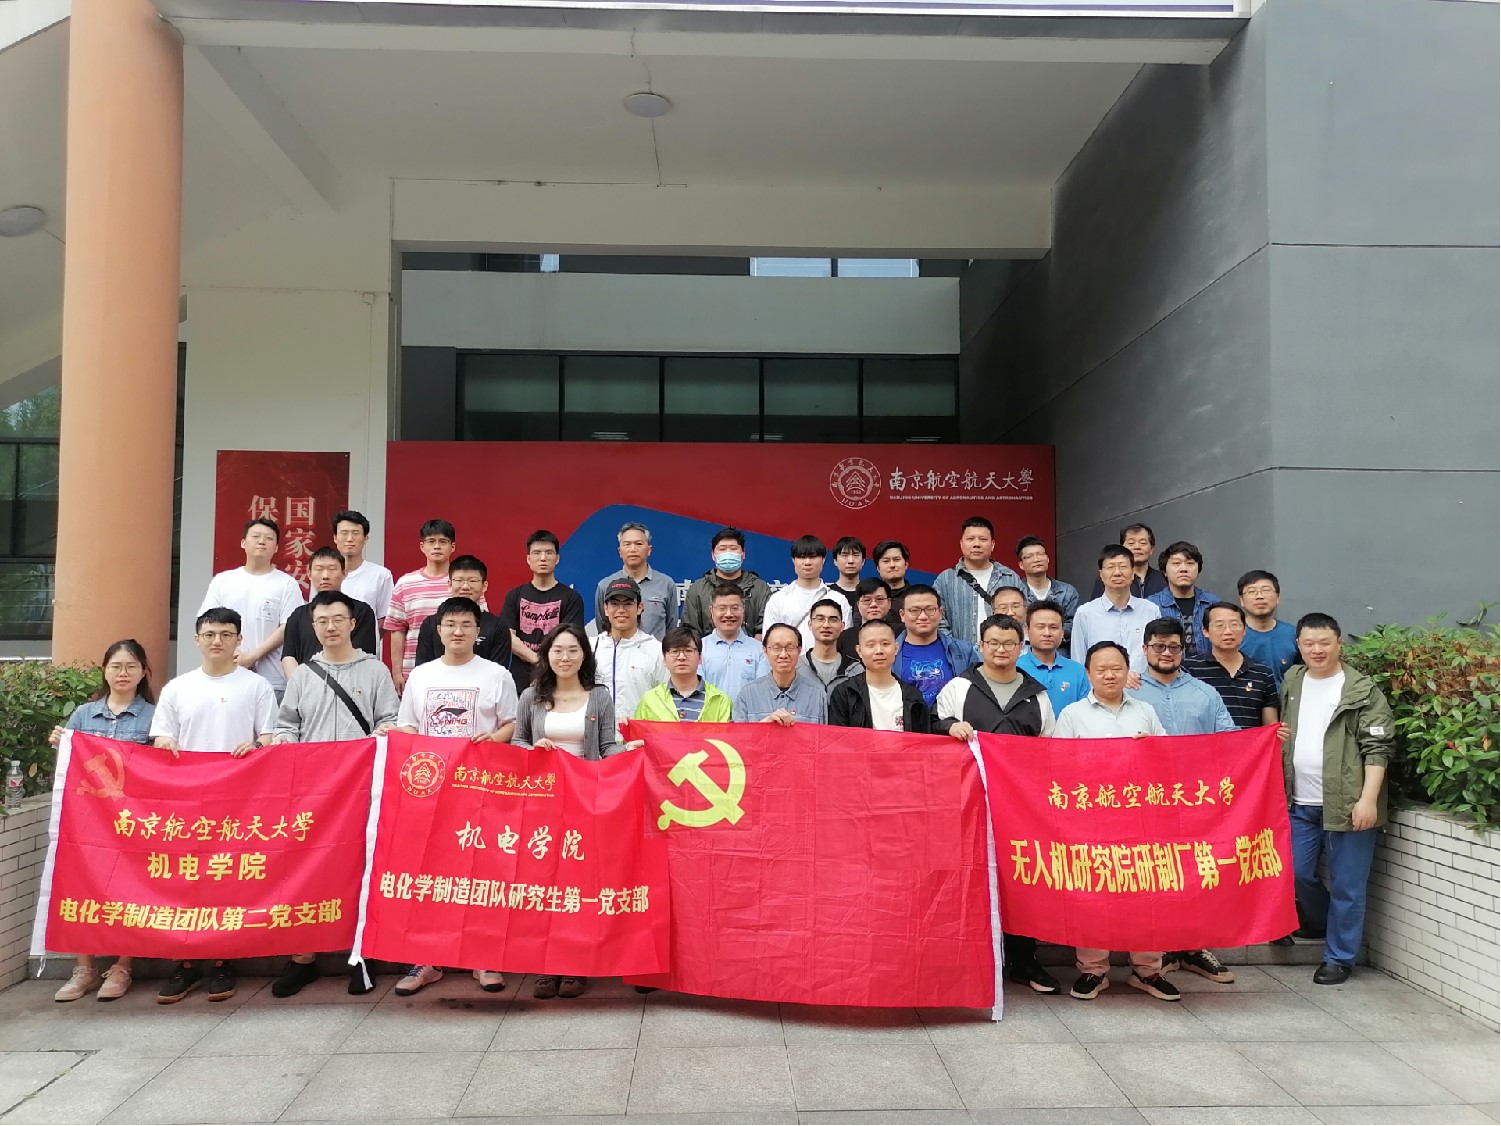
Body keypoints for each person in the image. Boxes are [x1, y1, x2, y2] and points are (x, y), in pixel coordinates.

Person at [271, 590, 400, 999]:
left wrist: (379, 735)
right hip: (312, 794)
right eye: (322, 621)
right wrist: (287, 745)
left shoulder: (375, 671)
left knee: (358, 871)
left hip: (360, 790)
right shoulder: (303, 675)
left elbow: (391, 718)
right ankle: (302, 958)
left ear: (352, 624)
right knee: (307, 871)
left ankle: (360, 955)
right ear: (313, 627)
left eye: (337, 619)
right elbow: (286, 725)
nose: (330, 627)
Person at [150, 608, 279, 1004]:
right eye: (209, 634)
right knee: (188, 880)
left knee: (230, 877)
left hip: (240, 802)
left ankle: (224, 960)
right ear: (196, 639)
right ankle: (187, 962)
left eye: (226, 634)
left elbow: (270, 737)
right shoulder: (178, 688)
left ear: (239, 639)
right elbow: (160, 738)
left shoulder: (256, 686)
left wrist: (256, 746)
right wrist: (165, 744)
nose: (217, 641)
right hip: (188, 801)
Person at [392, 596, 518, 999]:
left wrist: (492, 740)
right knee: (430, 874)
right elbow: (408, 727)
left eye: (466, 624)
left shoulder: (497, 674)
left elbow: (512, 725)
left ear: (478, 631)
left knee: (481, 872)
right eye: (450, 624)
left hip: (481, 789)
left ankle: (484, 957)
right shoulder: (421, 675)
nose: (458, 631)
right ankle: (426, 959)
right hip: (431, 793)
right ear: (438, 629)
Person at [934, 613, 1057, 995]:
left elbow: (1049, 751)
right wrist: (949, 726)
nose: (1001, 650)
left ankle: (1023, 959)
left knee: (1020, 881)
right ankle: (967, 958)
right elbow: (932, 728)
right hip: (966, 803)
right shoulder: (959, 688)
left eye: (1008, 644)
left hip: (1021, 807)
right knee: (968, 879)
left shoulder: (1037, 696)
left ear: (1021, 647)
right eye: (993, 643)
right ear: (981, 646)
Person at [1053, 642, 1174, 1003]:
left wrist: (1152, 747)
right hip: (1091, 819)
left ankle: (1148, 969)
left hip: (1140, 819)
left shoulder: (1145, 710)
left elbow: (1170, 758)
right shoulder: (1073, 714)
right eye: (1101, 669)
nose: (1109, 675)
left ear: (1127, 671)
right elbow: (1058, 766)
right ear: (1087, 674)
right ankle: (1093, 970)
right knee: (1092, 894)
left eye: (1116, 668)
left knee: (1146, 891)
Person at [1279, 613, 1394, 986]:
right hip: (1299, 802)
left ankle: (1339, 957)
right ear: (1299, 646)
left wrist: (1368, 799)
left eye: (1324, 642)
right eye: (1309, 643)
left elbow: (1377, 748)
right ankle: (1320, 922)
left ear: (1339, 643)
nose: (1317, 650)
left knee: (1348, 884)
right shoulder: (1293, 680)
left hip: (1347, 803)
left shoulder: (1362, 690)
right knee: (1295, 872)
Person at [1128, 618, 1239, 988]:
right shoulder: (1129, 690)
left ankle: (1193, 947)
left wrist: (1265, 742)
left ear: (1184, 650)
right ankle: (1155, 951)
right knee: (1152, 875)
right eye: (1158, 646)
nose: (1166, 653)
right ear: (1145, 649)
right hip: (1142, 803)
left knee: (1193, 875)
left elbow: (1230, 740)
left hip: (1194, 803)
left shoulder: (1205, 693)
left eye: (1173, 646)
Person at [514, 624, 622, 999]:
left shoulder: (599, 697)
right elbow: (518, 740)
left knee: (579, 885)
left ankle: (576, 963)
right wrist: (533, 750)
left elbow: (607, 746)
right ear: (546, 655)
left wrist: (627, 757)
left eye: (573, 650)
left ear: (584, 656)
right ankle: (546, 965)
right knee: (543, 884)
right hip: (542, 804)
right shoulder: (531, 696)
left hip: (585, 803)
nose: (565, 657)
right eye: (558, 650)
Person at [47, 640, 156, 1003]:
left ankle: (123, 966)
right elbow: (68, 766)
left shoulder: (153, 717)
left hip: (131, 819)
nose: (123, 673)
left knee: (130, 886)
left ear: (143, 672)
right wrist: (61, 743)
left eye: (130, 666)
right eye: (115, 666)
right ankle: (84, 968)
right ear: (104, 671)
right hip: (87, 820)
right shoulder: (83, 715)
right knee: (80, 886)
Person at [198, 517, 304, 699]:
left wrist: (253, 656)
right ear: (243, 543)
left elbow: (289, 626)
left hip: (272, 680)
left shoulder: (287, 584)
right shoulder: (223, 581)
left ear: (276, 548)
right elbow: (206, 621)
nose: (262, 541)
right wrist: (233, 652)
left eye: (269, 538)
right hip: (227, 673)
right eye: (256, 536)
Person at [499, 531, 587, 694]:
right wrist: (538, 661)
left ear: (557, 558)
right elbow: (507, 636)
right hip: (519, 683)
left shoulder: (571, 598)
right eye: (537, 553)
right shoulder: (515, 595)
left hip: (558, 682)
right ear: (528, 559)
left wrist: (547, 668)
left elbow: (570, 640)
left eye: (549, 552)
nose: (543, 558)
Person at [384, 518, 460, 693]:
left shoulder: (462, 583)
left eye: (443, 542)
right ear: (422, 546)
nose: (436, 547)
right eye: (431, 541)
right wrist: (397, 672)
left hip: (458, 670)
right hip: (414, 672)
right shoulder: (405, 583)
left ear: (453, 547)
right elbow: (397, 630)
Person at [280, 547, 378, 678]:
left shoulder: (361, 611)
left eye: (332, 569)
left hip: (349, 685)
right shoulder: (298, 615)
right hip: (306, 686)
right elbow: (289, 656)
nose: (325, 576)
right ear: (309, 574)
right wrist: (300, 684)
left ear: (344, 572)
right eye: (319, 569)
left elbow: (364, 655)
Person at [1185, 603, 1280, 731]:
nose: (1228, 632)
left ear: (1244, 630)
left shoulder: (1263, 673)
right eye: (1219, 626)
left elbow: (1270, 727)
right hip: (1207, 743)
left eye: (1235, 625)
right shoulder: (1189, 670)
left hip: (1249, 744)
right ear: (1205, 631)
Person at [933, 516, 1024, 649]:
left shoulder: (1010, 577)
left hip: (1003, 652)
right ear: (961, 543)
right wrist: (957, 648)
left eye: (983, 539)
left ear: (992, 544)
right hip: (959, 655)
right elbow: (937, 619)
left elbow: (1024, 617)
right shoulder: (945, 579)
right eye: (970, 539)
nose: (976, 544)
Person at [828, 619, 929, 732]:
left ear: (896, 648)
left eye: (885, 644)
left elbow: (922, 740)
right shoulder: (844, 694)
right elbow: (838, 739)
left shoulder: (913, 696)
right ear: (859, 651)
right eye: (871, 645)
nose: (879, 651)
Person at [591, 577, 668, 725]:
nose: (621, 610)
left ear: (640, 607)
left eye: (628, 604)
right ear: (605, 609)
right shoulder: (591, 648)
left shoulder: (656, 650)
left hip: (639, 735)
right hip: (597, 736)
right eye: (614, 604)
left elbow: (665, 701)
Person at [1070, 545, 1161, 670]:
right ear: (1101, 575)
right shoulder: (1085, 614)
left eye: (1123, 567)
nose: (1117, 573)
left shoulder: (1151, 610)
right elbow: (1078, 661)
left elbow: (1158, 655)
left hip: (1142, 682)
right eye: (1110, 567)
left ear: (1133, 573)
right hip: (1101, 682)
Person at [893, 584, 980, 709]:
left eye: (930, 609)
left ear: (940, 613)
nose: (923, 616)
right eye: (914, 610)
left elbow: (977, 695)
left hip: (952, 720)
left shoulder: (964, 651)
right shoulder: (890, 654)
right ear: (902, 615)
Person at [413, 555, 509, 667]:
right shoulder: (430, 623)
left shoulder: (497, 626)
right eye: (459, 580)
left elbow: (499, 671)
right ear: (449, 584)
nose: (465, 586)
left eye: (473, 581)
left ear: (484, 586)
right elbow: (423, 669)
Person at [761, 535, 851, 651]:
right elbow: (769, 644)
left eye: (813, 557)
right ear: (793, 560)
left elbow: (846, 642)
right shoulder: (778, 599)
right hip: (788, 661)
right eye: (802, 557)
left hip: (830, 661)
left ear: (823, 559)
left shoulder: (839, 600)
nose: (807, 562)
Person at [680, 527, 772, 639]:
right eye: (722, 549)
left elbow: (766, 628)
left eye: (733, 548)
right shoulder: (698, 589)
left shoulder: (760, 588)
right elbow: (690, 630)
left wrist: (753, 647)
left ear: (743, 554)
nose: (728, 553)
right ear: (713, 555)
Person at [594, 522, 678, 641]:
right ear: (620, 551)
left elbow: (671, 628)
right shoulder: (605, 585)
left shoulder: (666, 584)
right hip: (618, 651)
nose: (633, 549)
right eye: (627, 544)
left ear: (649, 550)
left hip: (655, 652)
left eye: (638, 544)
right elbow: (603, 627)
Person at [732, 624, 828, 724]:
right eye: (776, 648)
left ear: (799, 650)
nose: (783, 655)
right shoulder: (748, 694)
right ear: (765, 651)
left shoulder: (817, 695)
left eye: (790, 648)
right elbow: (739, 733)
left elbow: (824, 733)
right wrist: (764, 725)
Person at [634, 627, 733, 722]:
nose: (681, 657)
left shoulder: (720, 700)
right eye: (674, 651)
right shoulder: (650, 701)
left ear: (700, 657)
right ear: (664, 659)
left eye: (688, 651)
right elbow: (638, 732)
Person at [698, 583, 769, 704]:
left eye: (735, 608)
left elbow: (762, 692)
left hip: (747, 715)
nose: (729, 614)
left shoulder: (759, 650)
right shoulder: (699, 648)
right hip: (710, 715)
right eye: (722, 608)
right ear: (711, 610)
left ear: (743, 609)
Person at [1147, 541, 1220, 657]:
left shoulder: (1213, 603)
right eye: (1176, 563)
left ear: (1198, 569)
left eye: (1190, 563)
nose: (1184, 569)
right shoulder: (1151, 605)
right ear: (1164, 571)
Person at [1017, 600, 1089, 717]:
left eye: (1053, 627)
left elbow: (1086, 715)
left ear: (1062, 632)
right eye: (1040, 627)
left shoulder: (1078, 671)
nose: (1047, 633)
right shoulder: (1015, 669)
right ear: (1027, 630)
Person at [1238, 570, 1300, 689]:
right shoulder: (1231, 635)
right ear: (1241, 600)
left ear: (1278, 597)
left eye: (1266, 590)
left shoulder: (1293, 634)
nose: (1259, 596)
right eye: (1252, 591)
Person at [1015, 536, 1079, 645]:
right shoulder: (1016, 592)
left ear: (1047, 559)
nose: (1036, 559)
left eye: (1040, 554)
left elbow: (1074, 624)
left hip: (1059, 649)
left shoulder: (1067, 591)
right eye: (1029, 556)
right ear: (1021, 565)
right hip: (1025, 650)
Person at [332, 509, 394, 622]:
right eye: (344, 533)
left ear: (365, 539)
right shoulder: (324, 575)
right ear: (335, 538)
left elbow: (384, 618)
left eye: (355, 533)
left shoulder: (380, 575)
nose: (349, 539)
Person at [1088, 523, 1168, 600]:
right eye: (1131, 543)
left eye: (1143, 543)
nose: (1137, 547)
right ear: (1122, 548)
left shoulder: (1164, 578)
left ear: (1152, 549)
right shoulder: (1109, 578)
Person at [802, 598, 863, 694]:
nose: (826, 625)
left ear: (842, 626)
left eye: (833, 620)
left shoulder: (855, 670)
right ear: (810, 624)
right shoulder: (796, 667)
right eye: (820, 619)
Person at [838, 578, 900, 662]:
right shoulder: (845, 637)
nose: (873, 605)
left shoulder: (901, 633)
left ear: (889, 603)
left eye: (879, 599)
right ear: (858, 605)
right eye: (867, 600)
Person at [830, 536, 867, 607]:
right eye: (844, 555)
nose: (850, 561)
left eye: (856, 555)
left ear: (863, 561)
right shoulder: (827, 593)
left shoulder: (870, 593)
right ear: (835, 561)